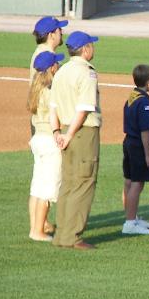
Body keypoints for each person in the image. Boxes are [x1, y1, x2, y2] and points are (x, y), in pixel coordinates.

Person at [48, 31, 102, 250]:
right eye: (92, 46)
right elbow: (84, 108)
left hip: (64, 132)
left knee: (68, 184)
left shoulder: (62, 71)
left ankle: (62, 235)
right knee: (83, 183)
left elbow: (53, 107)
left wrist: (57, 133)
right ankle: (72, 237)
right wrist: (69, 134)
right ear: (85, 48)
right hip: (82, 133)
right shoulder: (86, 72)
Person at [27, 51, 63, 242]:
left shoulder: (36, 90)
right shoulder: (50, 92)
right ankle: (38, 231)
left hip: (38, 139)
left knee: (38, 186)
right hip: (49, 141)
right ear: (51, 68)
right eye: (56, 64)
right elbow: (59, 115)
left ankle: (36, 227)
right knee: (48, 189)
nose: (58, 66)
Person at [121, 64, 149, 236]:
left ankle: (132, 217)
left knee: (129, 181)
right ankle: (130, 223)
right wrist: (148, 154)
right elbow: (145, 130)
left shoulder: (132, 97)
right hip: (138, 146)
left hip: (128, 141)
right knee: (137, 183)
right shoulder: (143, 102)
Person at [30, 16, 67, 81]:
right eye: (59, 29)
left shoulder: (41, 52)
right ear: (51, 35)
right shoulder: (46, 58)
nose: (62, 32)